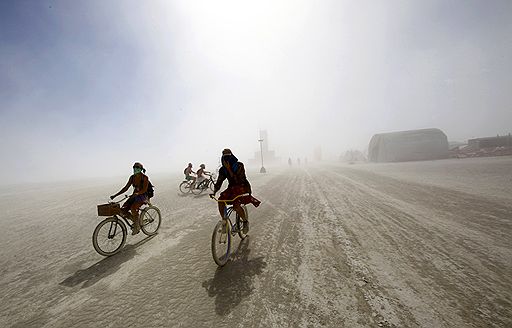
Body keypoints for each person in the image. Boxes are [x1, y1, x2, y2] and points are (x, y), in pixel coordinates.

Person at [210, 149, 260, 234]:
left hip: (242, 187)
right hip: (232, 188)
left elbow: (239, 179)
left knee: (236, 206)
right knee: (220, 201)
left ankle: (245, 222)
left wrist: (229, 169)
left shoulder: (239, 165)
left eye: (228, 156)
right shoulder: (222, 169)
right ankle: (224, 223)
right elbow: (219, 182)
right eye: (225, 157)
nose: (226, 159)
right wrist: (214, 191)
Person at [110, 162, 149, 235]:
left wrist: (137, 193)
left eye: (137, 168)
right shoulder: (132, 177)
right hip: (134, 195)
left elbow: (144, 189)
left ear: (140, 169)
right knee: (123, 210)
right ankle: (136, 221)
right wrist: (115, 195)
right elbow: (126, 188)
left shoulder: (145, 177)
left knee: (133, 208)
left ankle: (137, 227)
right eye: (134, 168)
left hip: (142, 196)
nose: (135, 169)